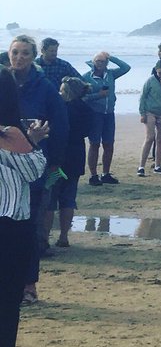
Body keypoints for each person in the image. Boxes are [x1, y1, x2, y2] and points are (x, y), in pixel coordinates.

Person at [0, 68, 48, 347]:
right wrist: (36, 140)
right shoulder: (10, 134)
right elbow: (34, 170)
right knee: (6, 296)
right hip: (9, 222)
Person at [9, 35, 65, 304]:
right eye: (15, 52)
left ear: (33, 58)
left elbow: (61, 126)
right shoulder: (3, 83)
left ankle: (28, 285)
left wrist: (54, 163)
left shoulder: (45, 89)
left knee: (28, 228)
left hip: (34, 169)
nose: (18, 58)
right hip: (3, 171)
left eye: (24, 54)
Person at [79, 49, 130, 185]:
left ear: (106, 63)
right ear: (93, 62)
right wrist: (98, 95)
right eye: (97, 61)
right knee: (94, 144)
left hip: (109, 114)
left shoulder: (111, 74)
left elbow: (126, 67)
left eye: (102, 61)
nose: (100, 63)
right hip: (95, 114)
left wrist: (111, 57)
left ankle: (106, 173)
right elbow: (82, 98)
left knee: (108, 144)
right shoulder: (86, 77)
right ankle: (93, 175)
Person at [53, 77, 88, 248]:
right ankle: (64, 236)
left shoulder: (61, 109)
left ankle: (44, 236)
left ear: (68, 92)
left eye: (61, 91)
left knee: (51, 196)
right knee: (68, 198)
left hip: (58, 159)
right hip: (76, 157)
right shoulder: (85, 108)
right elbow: (87, 131)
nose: (59, 93)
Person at [136, 59, 161, 177]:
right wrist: (142, 113)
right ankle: (141, 166)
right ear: (156, 71)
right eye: (159, 73)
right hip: (150, 112)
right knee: (150, 138)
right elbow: (142, 97)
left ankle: (158, 165)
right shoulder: (150, 80)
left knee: (160, 139)